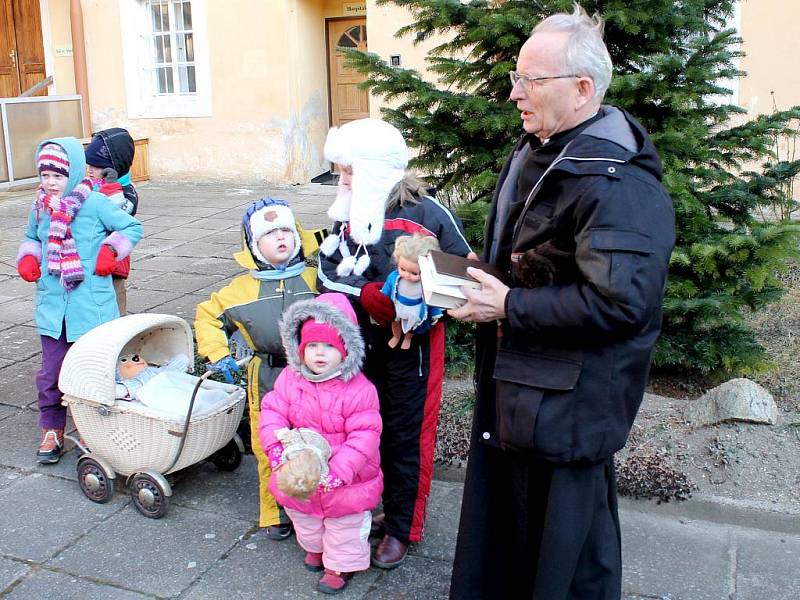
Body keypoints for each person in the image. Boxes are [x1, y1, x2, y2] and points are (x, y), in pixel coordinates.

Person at [448, 5, 676, 599]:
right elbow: (528, 265)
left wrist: (510, 309)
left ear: (582, 89)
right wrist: (454, 275)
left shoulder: (620, 184)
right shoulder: (532, 152)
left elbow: (623, 305)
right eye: (516, 78)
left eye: (530, 80)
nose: (515, 93)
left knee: (567, 568)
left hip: (570, 410)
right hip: (518, 392)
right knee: (508, 544)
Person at [318, 117, 473, 568]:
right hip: (361, 347)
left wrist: (418, 308)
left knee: (407, 438)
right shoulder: (346, 214)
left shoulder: (426, 213)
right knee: (366, 431)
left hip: (415, 351)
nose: (341, 180)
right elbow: (326, 271)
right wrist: (366, 296)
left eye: (349, 170)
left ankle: (404, 526)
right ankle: (374, 508)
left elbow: (463, 272)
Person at [194, 197, 323, 540]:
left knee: (318, 439)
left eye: (286, 229)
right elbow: (208, 316)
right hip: (267, 377)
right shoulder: (240, 290)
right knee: (270, 445)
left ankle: (319, 505)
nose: (281, 237)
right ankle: (275, 511)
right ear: (253, 244)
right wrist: (218, 353)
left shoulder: (316, 278)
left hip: (316, 376)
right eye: (270, 233)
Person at [16, 137, 143, 464]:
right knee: (52, 371)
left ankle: (94, 428)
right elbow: (32, 237)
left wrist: (110, 250)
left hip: (91, 307)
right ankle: (52, 427)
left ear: (72, 173)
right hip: (52, 307)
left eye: (57, 176)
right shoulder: (40, 207)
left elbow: (131, 227)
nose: (50, 183)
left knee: (93, 372)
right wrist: (29, 258)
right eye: (44, 175)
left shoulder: (96, 203)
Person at [259, 292, 382, 595]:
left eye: (329, 346)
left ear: (346, 350)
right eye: (312, 345)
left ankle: (340, 564)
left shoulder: (359, 390)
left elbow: (364, 436)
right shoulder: (290, 380)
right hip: (300, 470)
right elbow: (272, 413)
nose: (319, 353)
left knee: (345, 526)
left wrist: (339, 472)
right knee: (304, 518)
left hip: (344, 478)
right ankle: (316, 548)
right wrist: (277, 451)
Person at [85, 128, 139, 315]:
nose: (89, 170)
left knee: (115, 310)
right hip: (90, 259)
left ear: (112, 168)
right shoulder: (91, 186)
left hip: (113, 263)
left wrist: (111, 188)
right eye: (89, 165)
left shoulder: (127, 193)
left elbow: (118, 216)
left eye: (96, 166)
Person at [381, 233, 443, 350]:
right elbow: (387, 289)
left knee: (413, 327)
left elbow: (433, 299)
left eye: (414, 273)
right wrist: (382, 299)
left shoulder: (427, 284)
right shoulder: (395, 277)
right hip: (397, 306)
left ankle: (407, 338)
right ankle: (396, 336)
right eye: (402, 269)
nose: (407, 275)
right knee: (394, 322)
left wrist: (435, 312)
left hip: (416, 310)